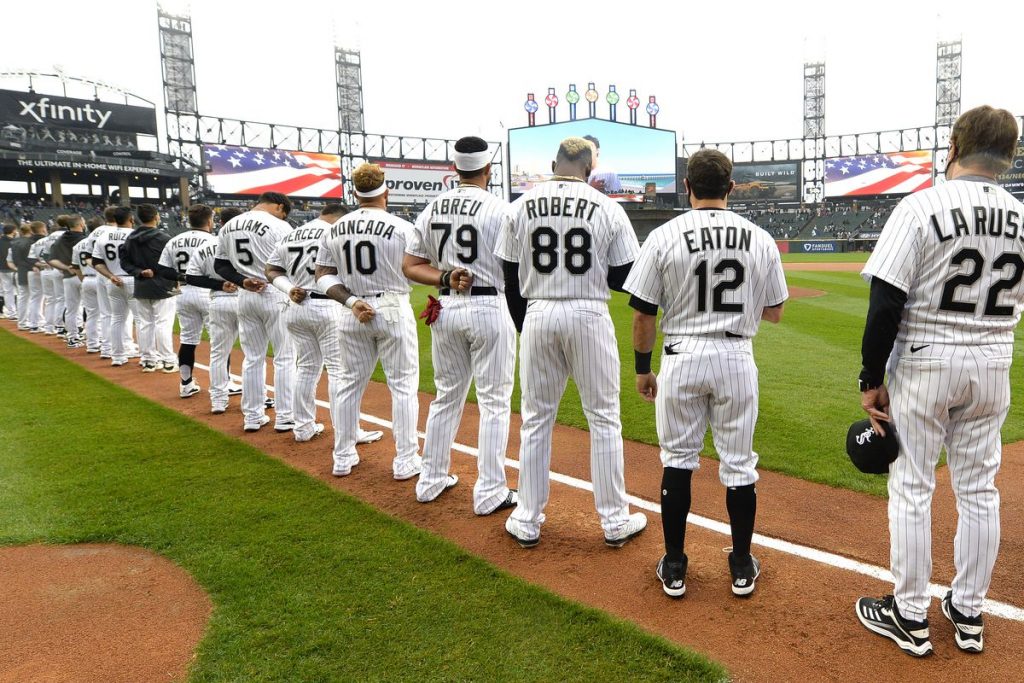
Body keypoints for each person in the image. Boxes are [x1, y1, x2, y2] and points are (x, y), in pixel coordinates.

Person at [854, 106, 1024, 657]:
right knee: (979, 490)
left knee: (912, 487)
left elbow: (886, 301)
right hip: (994, 362)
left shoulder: (921, 205)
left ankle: (909, 614)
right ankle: (969, 612)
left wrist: (870, 377)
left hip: (927, 359)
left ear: (953, 145)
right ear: (1011, 155)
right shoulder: (1022, 216)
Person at [624, 148, 787, 598]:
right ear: (731, 188)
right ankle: (740, 566)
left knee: (678, 461)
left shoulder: (662, 236)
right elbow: (774, 312)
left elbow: (642, 313)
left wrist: (642, 368)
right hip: (736, 357)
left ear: (689, 187)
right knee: (739, 465)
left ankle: (675, 565)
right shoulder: (759, 237)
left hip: (681, 356)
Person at [495, 136, 647, 548]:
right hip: (588, 313)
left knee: (536, 419)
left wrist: (527, 326)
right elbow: (622, 278)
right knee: (603, 418)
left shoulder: (519, 205)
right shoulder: (608, 207)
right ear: (590, 169)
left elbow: (509, 277)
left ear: (552, 163)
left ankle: (527, 519)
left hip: (539, 310)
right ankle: (614, 521)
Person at [404, 136, 519, 515]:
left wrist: (443, 276)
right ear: (488, 169)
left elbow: (410, 265)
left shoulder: (432, 208)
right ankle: (489, 491)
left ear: (456, 169)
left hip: (447, 307)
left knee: (446, 396)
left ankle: (430, 479)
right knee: (494, 402)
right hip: (489, 304)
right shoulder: (501, 209)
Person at [314, 163, 422, 480]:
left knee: (348, 385)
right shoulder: (402, 227)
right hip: (392, 306)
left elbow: (321, 275)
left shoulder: (334, 228)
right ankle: (405, 461)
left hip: (352, 309)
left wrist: (350, 301)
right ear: (385, 192)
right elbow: (417, 267)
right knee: (403, 387)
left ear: (354, 193)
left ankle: (343, 456)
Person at [266, 203, 386, 445]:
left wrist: (288, 288)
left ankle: (302, 427)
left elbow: (270, 269)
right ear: (340, 218)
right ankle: (348, 433)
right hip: (328, 305)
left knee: (307, 368)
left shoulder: (293, 233)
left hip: (295, 306)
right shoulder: (334, 233)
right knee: (338, 371)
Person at [214, 192, 296, 432]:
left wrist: (242, 280)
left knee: (253, 358)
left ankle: (252, 416)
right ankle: (285, 416)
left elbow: (220, 265)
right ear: (279, 206)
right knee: (284, 357)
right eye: (285, 211)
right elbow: (291, 264)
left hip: (246, 295)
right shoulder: (280, 225)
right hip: (276, 291)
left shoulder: (229, 225)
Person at [185, 209, 244, 414]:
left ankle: (218, 401)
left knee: (218, 353)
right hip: (245, 299)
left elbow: (191, 277)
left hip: (218, 301)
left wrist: (219, 285)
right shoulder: (248, 241)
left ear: (218, 222)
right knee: (254, 353)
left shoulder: (206, 245)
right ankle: (260, 398)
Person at [157, 204, 218, 394]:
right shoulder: (215, 240)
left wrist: (183, 277)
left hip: (184, 293)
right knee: (219, 342)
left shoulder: (174, 240)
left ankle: (185, 384)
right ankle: (222, 385)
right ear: (209, 221)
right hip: (208, 292)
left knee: (188, 339)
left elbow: (162, 270)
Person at [120, 204, 178, 373]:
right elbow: (171, 262)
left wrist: (139, 272)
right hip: (163, 284)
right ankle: (167, 360)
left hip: (141, 284)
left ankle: (148, 360)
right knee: (163, 323)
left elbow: (124, 262)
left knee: (145, 323)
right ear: (156, 217)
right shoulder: (164, 238)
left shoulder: (130, 238)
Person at [91, 206, 139, 367]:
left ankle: (117, 356)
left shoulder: (103, 236)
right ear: (130, 219)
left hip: (112, 280)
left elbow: (96, 262)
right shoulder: (135, 235)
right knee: (141, 320)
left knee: (116, 319)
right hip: (133, 280)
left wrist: (111, 276)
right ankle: (147, 358)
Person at [48, 214, 88, 348]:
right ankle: (94, 338)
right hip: (84, 276)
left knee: (71, 309)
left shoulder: (60, 240)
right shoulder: (86, 239)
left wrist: (66, 267)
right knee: (92, 309)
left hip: (68, 277)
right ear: (80, 224)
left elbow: (51, 259)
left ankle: (72, 338)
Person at [71, 217, 104, 353]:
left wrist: (83, 279)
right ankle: (105, 342)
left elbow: (75, 267)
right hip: (101, 278)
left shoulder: (79, 245)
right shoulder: (101, 240)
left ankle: (92, 344)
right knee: (106, 314)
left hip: (86, 279)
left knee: (91, 314)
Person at [11, 222, 44, 331]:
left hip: (20, 271)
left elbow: (15, 259)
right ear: (31, 230)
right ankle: (35, 321)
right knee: (36, 297)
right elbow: (31, 258)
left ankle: (22, 322)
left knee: (23, 297)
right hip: (32, 270)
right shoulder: (31, 242)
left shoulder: (14, 242)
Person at [23, 221, 49, 333]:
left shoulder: (26, 241)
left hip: (30, 270)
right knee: (46, 298)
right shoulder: (47, 240)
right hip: (44, 269)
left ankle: (33, 323)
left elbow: (26, 258)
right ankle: (43, 322)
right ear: (43, 229)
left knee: (35, 298)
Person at [0, 223, 18, 319]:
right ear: (13, 231)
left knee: (7, 291)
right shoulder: (15, 242)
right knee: (20, 291)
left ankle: (11, 312)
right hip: (14, 268)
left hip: (2, 268)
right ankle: (19, 312)